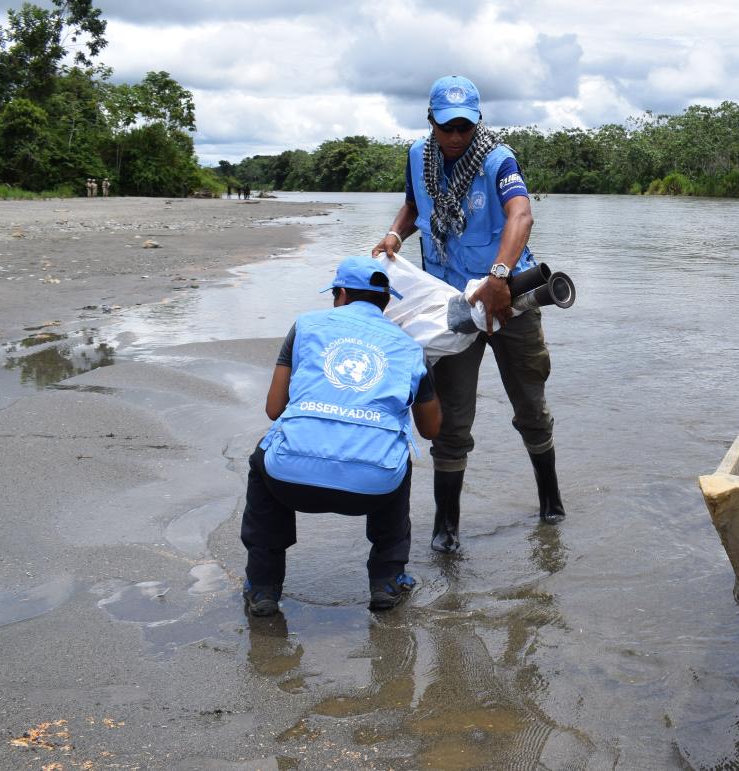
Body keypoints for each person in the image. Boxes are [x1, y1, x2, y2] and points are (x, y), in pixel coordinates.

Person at [371, 74, 564, 555]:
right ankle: (447, 526)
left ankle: (550, 500)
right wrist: (395, 234)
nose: (456, 137)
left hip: (507, 299)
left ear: (477, 122)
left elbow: (520, 214)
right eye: (446, 127)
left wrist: (499, 276)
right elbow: (416, 205)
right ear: (430, 122)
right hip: (449, 306)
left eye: (464, 127)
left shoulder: (498, 159)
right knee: (451, 417)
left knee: (530, 404)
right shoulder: (418, 156)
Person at [240, 256, 441, 616]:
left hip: (290, 479)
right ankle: (387, 581)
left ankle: (263, 586)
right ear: (386, 302)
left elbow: (274, 408)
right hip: (372, 489)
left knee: (264, 458)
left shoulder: (305, 326)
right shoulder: (410, 347)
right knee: (398, 458)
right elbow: (431, 429)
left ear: (341, 294)